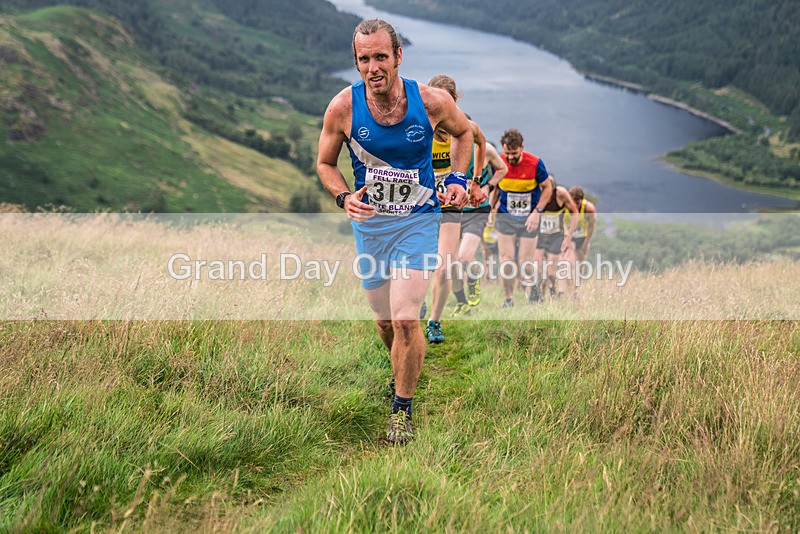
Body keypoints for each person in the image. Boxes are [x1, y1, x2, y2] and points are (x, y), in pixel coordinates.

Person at [317, 19, 471, 445]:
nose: (373, 67)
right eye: (364, 59)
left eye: (381, 57)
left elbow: (464, 135)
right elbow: (325, 164)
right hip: (371, 227)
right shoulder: (342, 109)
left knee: (405, 318)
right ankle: (402, 367)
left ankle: (401, 408)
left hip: (418, 220)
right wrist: (343, 197)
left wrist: (458, 180)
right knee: (384, 321)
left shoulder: (432, 101)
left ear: (398, 56)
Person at [424, 75, 486, 343]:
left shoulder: (465, 126)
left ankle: (434, 321)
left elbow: (481, 143)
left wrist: (475, 182)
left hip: (451, 204)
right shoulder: (420, 127)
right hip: (423, 203)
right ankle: (416, 302)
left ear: (453, 101)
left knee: (446, 266)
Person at [488, 128, 553, 308]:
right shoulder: (498, 162)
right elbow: (497, 188)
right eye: (507, 153)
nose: (510, 158)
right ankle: (508, 300)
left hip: (528, 219)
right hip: (505, 216)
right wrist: (490, 209)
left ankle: (534, 287)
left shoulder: (535, 163)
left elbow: (548, 188)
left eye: (514, 154)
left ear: (522, 148)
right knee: (507, 261)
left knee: (525, 263)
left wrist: (537, 212)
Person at [450, 140, 507, 315]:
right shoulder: (445, 149)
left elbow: (503, 169)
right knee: (450, 262)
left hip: (476, 211)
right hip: (451, 211)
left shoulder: (485, 149)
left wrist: (488, 187)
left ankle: (473, 282)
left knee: (465, 257)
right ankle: (461, 302)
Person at [528, 180, 578, 302]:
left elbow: (575, 213)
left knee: (551, 273)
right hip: (540, 235)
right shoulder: (535, 194)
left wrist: (568, 237)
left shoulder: (561, 194)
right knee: (536, 268)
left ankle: (552, 289)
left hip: (556, 236)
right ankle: (536, 296)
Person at [565, 186, 597, 297]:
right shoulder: (564, 205)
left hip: (582, 238)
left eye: (578, 203)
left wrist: (587, 242)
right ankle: (570, 291)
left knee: (580, 266)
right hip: (569, 237)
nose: (575, 206)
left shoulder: (589, 209)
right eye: (573, 203)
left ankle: (575, 290)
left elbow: (592, 226)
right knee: (569, 263)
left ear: (582, 200)